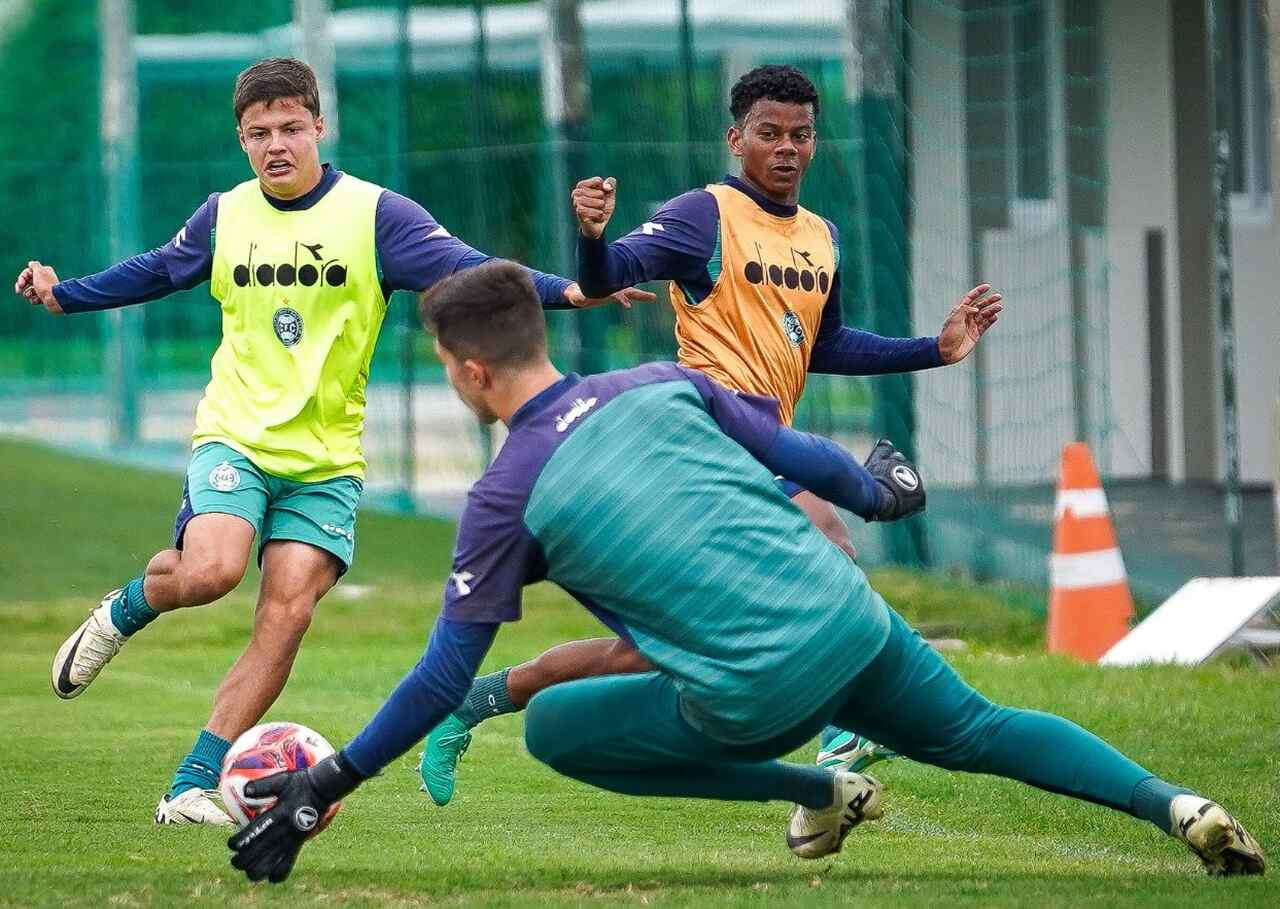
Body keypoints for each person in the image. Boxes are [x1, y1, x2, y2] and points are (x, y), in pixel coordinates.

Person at [226, 261, 1263, 884]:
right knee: (978, 731)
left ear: (465, 369)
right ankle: (1173, 805)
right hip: (846, 612)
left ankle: (819, 782)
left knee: (552, 728)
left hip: (756, 698)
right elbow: (800, 456)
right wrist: (873, 492)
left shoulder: (502, 501)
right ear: (536, 334)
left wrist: (325, 786)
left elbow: (441, 677)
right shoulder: (662, 381)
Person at [14, 57, 646, 827]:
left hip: (325, 462)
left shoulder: (378, 217)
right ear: (241, 140)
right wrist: (63, 294)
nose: (276, 145)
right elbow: (156, 269)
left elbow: (473, 267)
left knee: (287, 612)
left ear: (319, 125)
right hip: (235, 435)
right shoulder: (225, 214)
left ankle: (189, 784)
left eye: (289, 128)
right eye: (258, 133)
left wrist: (573, 288)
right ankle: (129, 607)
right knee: (212, 569)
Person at [419, 63, 1002, 805]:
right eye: (769, 133)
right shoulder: (705, 214)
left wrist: (933, 349)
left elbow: (826, 345)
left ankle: (480, 699)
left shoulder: (823, 236)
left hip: (765, 438)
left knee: (648, 652)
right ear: (736, 139)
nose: (786, 148)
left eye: (801, 135)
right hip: (703, 435)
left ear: (815, 143)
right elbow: (608, 277)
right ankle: (842, 740)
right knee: (830, 546)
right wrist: (592, 237)